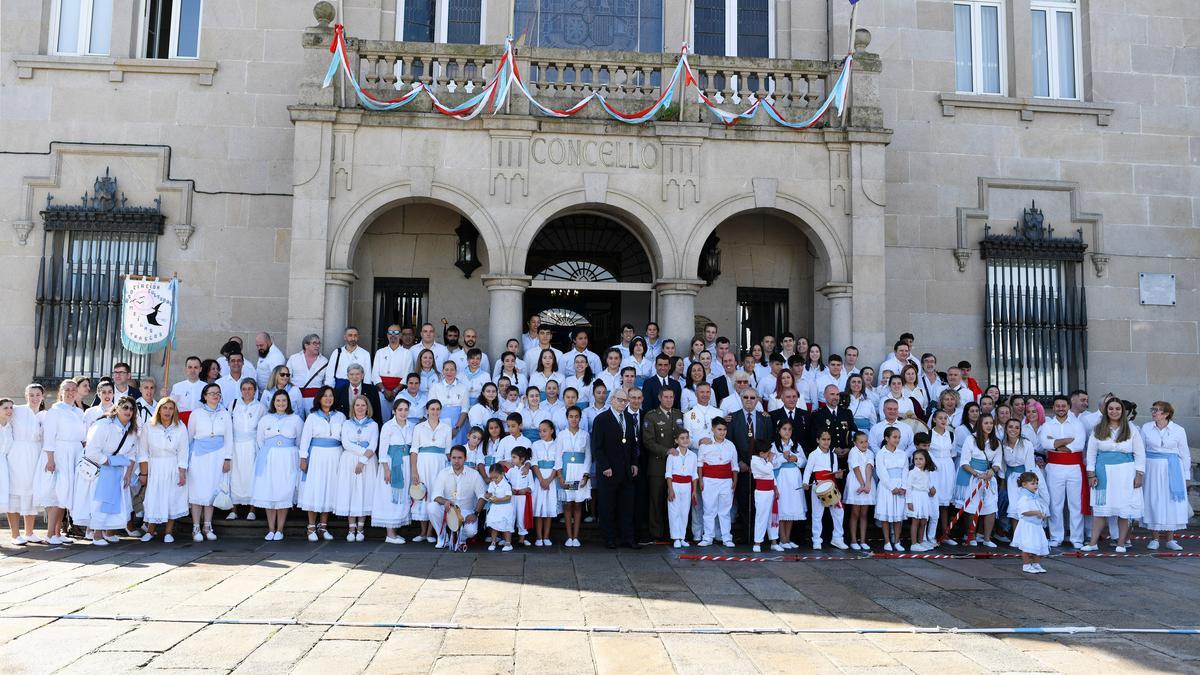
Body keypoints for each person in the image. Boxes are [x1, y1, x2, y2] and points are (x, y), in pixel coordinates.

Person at [1081, 398, 1145, 553]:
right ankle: (1093, 543)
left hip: (1125, 473)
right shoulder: (1098, 429)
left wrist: (1139, 474)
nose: (1114, 411)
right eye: (1111, 408)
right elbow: (1091, 454)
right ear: (1106, 410)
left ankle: (1121, 543)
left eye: (1118, 408)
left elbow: (1140, 453)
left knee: (1124, 510)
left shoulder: (1131, 428)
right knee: (1101, 509)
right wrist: (1091, 474)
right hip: (1103, 473)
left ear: (1122, 411)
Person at [78, 397, 139, 545]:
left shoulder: (131, 430)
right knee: (100, 502)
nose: (128, 411)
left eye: (131, 409)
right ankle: (97, 535)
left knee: (116, 502)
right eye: (125, 407)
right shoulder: (103, 425)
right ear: (117, 408)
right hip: (102, 470)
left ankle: (108, 531)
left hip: (119, 472)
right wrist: (111, 461)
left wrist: (128, 474)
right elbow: (92, 451)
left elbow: (131, 455)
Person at [36, 380, 86, 545]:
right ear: (61, 392)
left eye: (73, 389)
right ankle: (50, 534)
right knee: (57, 494)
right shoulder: (55, 411)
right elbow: (49, 437)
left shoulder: (79, 412)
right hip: (59, 453)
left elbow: (83, 436)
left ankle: (57, 533)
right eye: (67, 390)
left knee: (66, 494)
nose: (71, 392)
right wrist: (50, 459)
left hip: (74, 453)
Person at [591, 389, 640, 549]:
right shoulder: (601, 419)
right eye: (620, 400)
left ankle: (628, 538)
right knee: (607, 506)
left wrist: (634, 463)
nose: (623, 403)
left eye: (625, 401)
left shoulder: (628, 418)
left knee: (627, 507)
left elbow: (633, 444)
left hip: (626, 471)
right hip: (609, 471)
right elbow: (597, 447)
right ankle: (609, 538)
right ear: (612, 400)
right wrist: (605, 466)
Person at [252, 390, 302, 541]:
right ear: (273, 402)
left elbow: (299, 441)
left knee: (283, 492)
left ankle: (280, 529)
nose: (281, 403)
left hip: (287, 459)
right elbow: (260, 440)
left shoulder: (296, 419)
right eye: (278, 400)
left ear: (288, 403)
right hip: (269, 458)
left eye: (284, 401)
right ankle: (271, 528)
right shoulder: (265, 419)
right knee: (270, 491)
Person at [1039, 395, 1088, 548]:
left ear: (1068, 407)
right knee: (1056, 503)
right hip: (1054, 467)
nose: (1060, 408)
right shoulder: (1047, 425)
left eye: (1063, 405)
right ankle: (1056, 537)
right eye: (1057, 406)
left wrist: (1055, 443)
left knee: (1075, 504)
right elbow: (1045, 443)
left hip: (1074, 467)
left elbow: (1079, 444)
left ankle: (1077, 538)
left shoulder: (1077, 424)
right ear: (1053, 407)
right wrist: (1066, 440)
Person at [1141, 401, 1191, 550]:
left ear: (1166, 413)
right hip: (1152, 468)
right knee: (1153, 500)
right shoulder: (1146, 428)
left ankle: (1171, 539)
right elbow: (1141, 450)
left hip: (1173, 469)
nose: (1154, 412)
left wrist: (1187, 476)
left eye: (1157, 410)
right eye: (1153, 409)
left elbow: (1185, 454)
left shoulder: (1178, 430)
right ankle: (1154, 538)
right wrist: (1140, 471)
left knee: (1171, 502)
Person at [187, 384, 233, 543]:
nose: (215, 396)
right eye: (211, 393)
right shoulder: (196, 413)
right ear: (205, 396)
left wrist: (227, 458)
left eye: (218, 393)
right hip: (199, 456)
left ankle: (207, 526)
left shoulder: (225, 414)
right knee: (197, 491)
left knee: (212, 491)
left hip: (218, 456)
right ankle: (195, 527)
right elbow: (190, 437)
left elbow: (229, 438)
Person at [297, 386, 344, 542]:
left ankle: (323, 526)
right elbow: (305, 439)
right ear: (319, 398)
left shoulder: (340, 416)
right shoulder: (312, 417)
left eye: (331, 396)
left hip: (335, 455)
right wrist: (303, 458)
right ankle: (311, 526)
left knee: (329, 489)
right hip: (317, 455)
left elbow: (344, 439)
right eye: (325, 396)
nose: (328, 398)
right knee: (315, 489)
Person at [140, 397, 189, 543]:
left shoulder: (180, 426)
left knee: (171, 498)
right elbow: (142, 451)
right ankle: (150, 530)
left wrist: (182, 472)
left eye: (170, 408)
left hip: (172, 465)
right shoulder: (149, 426)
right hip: (155, 466)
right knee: (153, 497)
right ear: (159, 409)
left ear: (174, 410)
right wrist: (144, 473)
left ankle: (168, 532)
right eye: (164, 408)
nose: (167, 411)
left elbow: (183, 451)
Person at [728, 388, 773, 543]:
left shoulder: (765, 418)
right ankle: (748, 534)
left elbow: (768, 442)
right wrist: (739, 462)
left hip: (760, 470)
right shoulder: (732, 418)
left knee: (759, 503)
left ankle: (759, 535)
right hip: (742, 467)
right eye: (745, 397)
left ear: (757, 400)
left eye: (752, 397)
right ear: (741, 399)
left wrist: (760, 463)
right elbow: (730, 444)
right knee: (743, 500)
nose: (749, 400)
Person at [640, 387, 682, 543]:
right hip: (658, 465)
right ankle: (656, 533)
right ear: (659, 398)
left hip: (677, 466)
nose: (669, 400)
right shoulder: (651, 416)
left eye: (671, 397)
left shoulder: (678, 414)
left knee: (674, 499)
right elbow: (648, 441)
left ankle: (674, 531)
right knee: (656, 500)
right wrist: (667, 451)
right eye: (666, 397)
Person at [335, 395, 379, 542]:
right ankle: (351, 528)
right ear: (353, 407)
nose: (360, 408)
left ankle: (360, 528)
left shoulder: (373, 425)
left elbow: (373, 445)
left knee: (364, 491)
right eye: (357, 405)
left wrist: (363, 460)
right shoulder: (347, 424)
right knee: (351, 492)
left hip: (367, 462)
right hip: (349, 460)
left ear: (367, 408)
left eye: (363, 405)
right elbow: (346, 443)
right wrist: (362, 452)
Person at [428, 445, 488, 549]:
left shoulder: (474, 474)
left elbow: (482, 497)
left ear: (466, 458)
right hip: (448, 509)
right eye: (454, 458)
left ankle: (460, 539)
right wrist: (445, 501)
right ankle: (442, 537)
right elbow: (436, 495)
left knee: (471, 532)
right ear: (450, 458)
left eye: (460, 458)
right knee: (431, 507)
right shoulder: (443, 473)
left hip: (466, 511)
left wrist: (475, 514)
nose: (456, 461)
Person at [956, 415, 1002, 548]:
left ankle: (987, 538)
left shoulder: (996, 442)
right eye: (986, 423)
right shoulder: (971, 439)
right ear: (980, 424)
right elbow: (964, 461)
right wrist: (977, 474)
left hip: (988, 476)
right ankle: (971, 536)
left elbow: (998, 462)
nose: (989, 426)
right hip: (972, 476)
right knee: (972, 506)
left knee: (991, 506)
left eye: (991, 423)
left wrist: (992, 471)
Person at [7, 385, 44, 544]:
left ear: (43, 396)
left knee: (32, 491)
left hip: (37, 454)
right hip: (17, 455)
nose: (34, 398)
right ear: (25, 395)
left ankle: (29, 532)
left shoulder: (45, 415)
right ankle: (15, 534)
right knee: (15, 492)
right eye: (31, 395)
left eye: (37, 395)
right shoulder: (16, 410)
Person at [411, 399, 452, 543]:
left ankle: (430, 533)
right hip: (423, 463)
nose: (435, 412)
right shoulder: (419, 427)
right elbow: (414, 450)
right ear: (427, 410)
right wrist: (414, 471)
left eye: (437, 409)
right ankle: (422, 532)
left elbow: (448, 451)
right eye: (432, 409)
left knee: (435, 494)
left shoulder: (446, 428)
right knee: (423, 494)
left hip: (440, 463)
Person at [374, 399, 413, 544]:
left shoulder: (411, 426)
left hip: (406, 462)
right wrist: (386, 469)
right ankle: (389, 534)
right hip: (392, 463)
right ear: (394, 411)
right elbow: (383, 450)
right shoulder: (388, 426)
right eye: (400, 409)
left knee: (402, 495)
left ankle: (395, 532)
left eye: (405, 409)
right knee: (390, 495)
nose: (403, 412)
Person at [227, 378, 265, 521]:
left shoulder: (260, 407)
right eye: (244, 389)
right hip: (236, 444)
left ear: (255, 391)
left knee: (251, 476)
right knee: (234, 475)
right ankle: (233, 509)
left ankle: (252, 509)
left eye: (250, 389)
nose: (247, 391)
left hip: (252, 445)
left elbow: (262, 428)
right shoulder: (233, 404)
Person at [805, 429, 848, 550]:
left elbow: (834, 472)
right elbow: (808, 470)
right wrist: (805, 482)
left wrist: (838, 475)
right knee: (817, 514)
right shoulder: (813, 454)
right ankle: (816, 539)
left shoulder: (833, 455)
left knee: (839, 512)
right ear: (818, 440)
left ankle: (838, 538)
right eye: (823, 439)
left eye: (828, 439)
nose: (826, 442)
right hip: (818, 486)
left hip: (831, 485)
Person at [697, 417, 737, 548]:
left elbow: (734, 466)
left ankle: (726, 537)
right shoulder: (705, 445)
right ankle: (708, 536)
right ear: (713, 429)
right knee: (709, 509)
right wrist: (701, 480)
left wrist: (734, 481)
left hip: (726, 481)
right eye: (719, 429)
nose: (722, 432)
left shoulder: (730, 445)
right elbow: (700, 464)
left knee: (725, 510)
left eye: (725, 429)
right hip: (709, 480)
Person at [557, 406, 590, 548]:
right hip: (567, 472)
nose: (574, 419)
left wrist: (585, 476)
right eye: (571, 416)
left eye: (576, 416)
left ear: (580, 418)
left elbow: (588, 456)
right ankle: (568, 536)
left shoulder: (585, 435)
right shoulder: (562, 435)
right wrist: (560, 476)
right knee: (568, 503)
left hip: (579, 472)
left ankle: (575, 536)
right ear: (567, 417)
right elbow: (558, 456)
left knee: (577, 504)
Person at [771, 420, 806, 550]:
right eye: (784, 429)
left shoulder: (796, 445)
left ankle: (788, 538)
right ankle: (782, 538)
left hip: (794, 478)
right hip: (782, 478)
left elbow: (804, 462)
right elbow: (772, 463)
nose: (787, 432)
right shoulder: (774, 446)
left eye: (789, 429)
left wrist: (795, 459)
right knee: (783, 506)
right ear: (779, 430)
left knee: (792, 507)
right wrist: (782, 458)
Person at [872, 426, 907, 551]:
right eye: (894, 437)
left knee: (898, 515)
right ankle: (887, 541)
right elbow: (881, 472)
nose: (897, 440)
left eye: (899, 437)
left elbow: (905, 470)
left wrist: (903, 486)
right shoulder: (881, 454)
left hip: (900, 486)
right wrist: (892, 487)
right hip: (887, 487)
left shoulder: (902, 453)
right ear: (887, 438)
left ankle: (897, 541)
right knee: (886, 515)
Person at [927, 412, 957, 544]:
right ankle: (929, 535)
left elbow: (953, 452)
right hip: (934, 469)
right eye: (940, 418)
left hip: (947, 469)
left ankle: (945, 534)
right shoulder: (929, 434)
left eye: (945, 418)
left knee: (945, 503)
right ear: (934, 420)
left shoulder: (950, 434)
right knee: (933, 501)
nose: (943, 420)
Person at [665, 429, 698, 548]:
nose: (685, 440)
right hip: (675, 485)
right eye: (682, 438)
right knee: (674, 512)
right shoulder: (672, 455)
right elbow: (668, 473)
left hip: (687, 486)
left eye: (687, 437)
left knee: (684, 512)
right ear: (676, 440)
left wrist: (694, 491)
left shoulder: (693, 455)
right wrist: (670, 489)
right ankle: (676, 538)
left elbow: (694, 474)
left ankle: (682, 537)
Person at [373, 324, 414, 421]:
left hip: (400, 392)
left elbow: (407, 375)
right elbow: (375, 374)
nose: (393, 335)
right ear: (387, 335)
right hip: (382, 392)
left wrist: (395, 391)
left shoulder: (406, 353)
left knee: (400, 418)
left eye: (396, 332)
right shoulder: (380, 352)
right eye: (390, 332)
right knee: (383, 419)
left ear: (400, 335)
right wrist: (384, 391)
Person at [530, 420, 561, 546]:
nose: (542, 433)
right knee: (539, 508)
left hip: (551, 480)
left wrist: (549, 480)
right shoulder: (535, 445)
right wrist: (542, 480)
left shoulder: (557, 444)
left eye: (545, 430)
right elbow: (534, 463)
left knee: (548, 508)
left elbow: (558, 463)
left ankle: (546, 536)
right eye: (540, 431)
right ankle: (539, 537)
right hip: (539, 479)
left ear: (551, 431)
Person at [749, 443, 783, 553]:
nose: (769, 454)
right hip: (762, 492)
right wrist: (770, 460)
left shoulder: (765, 460)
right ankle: (757, 542)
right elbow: (768, 470)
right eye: (768, 452)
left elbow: (771, 476)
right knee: (761, 517)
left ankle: (774, 542)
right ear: (761, 453)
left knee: (773, 517)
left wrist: (776, 488)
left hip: (771, 491)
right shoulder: (755, 461)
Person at [1013, 471, 1049, 574]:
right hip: (1028, 526)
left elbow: (1039, 506)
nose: (1036, 485)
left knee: (1038, 545)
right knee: (1027, 545)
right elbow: (1023, 511)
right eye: (1032, 483)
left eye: (1036, 483)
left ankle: (1036, 564)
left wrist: (1042, 512)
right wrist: (1036, 512)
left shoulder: (1035, 496)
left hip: (1037, 526)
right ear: (1024, 485)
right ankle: (1026, 565)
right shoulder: (1024, 497)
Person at [844, 431, 874, 551]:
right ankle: (853, 540)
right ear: (855, 442)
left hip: (867, 482)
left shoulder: (870, 453)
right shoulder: (853, 452)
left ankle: (863, 540)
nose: (864, 444)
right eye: (861, 442)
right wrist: (861, 484)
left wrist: (867, 484)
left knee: (864, 514)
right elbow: (856, 468)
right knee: (855, 513)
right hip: (856, 482)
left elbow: (868, 467)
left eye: (866, 441)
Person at [430, 360, 470, 445]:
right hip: (440, 423)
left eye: (452, 369)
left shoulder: (463, 387)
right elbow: (431, 408)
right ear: (443, 371)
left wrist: (457, 428)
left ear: (456, 371)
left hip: (459, 424)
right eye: (446, 369)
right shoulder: (435, 387)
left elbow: (464, 410)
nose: (449, 372)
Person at [905, 448, 938, 551]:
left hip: (924, 498)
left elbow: (928, 483)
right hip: (916, 497)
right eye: (916, 459)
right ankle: (914, 544)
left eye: (921, 459)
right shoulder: (912, 473)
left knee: (924, 521)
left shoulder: (926, 472)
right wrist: (909, 501)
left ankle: (921, 541)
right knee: (916, 521)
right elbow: (908, 487)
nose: (918, 461)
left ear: (926, 460)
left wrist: (932, 488)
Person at [287, 333, 329, 414]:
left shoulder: (324, 361)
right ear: (306, 345)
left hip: (315, 398)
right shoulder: (294, 358)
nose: (317, 346)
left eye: (319, 343)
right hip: (295, 397)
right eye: (314, 343)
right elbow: (287, 378)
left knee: (313, 422)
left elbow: (326, 381)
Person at [485, 463, 515, 551]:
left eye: (496, 477)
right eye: (492, 478)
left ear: (502, 474)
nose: (494, 480)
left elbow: (508, 497)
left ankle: (508, 543)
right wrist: (487, 495)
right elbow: (490, 493)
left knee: (506, 525)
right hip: (495, 507)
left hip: (505, 507)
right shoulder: (492, 484)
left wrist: (498, 499)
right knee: (494, 525)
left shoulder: (506, 485)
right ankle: (493, 542)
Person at [170, 356, 204, 425]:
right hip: (182, 422)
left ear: (200, 369)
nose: (192, 370)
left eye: (196, 367)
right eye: (190, 367)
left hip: (201, 421)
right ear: (186, 369)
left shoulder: (206, 387)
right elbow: (171, 405)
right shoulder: (177, 387)